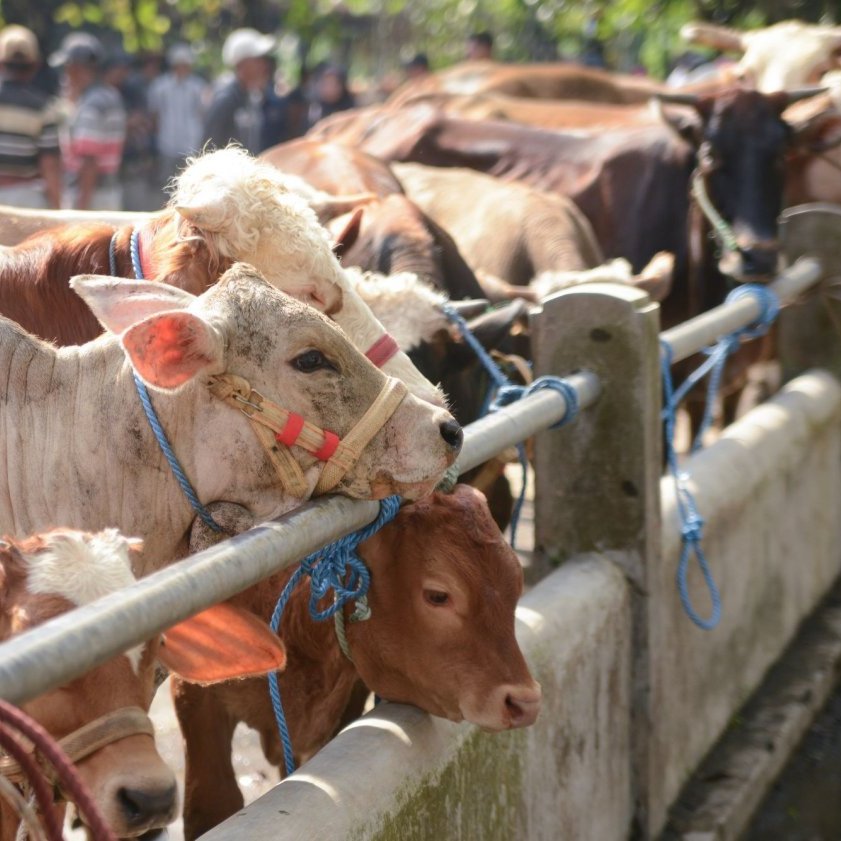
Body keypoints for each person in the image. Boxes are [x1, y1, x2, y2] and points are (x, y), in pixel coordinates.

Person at [49, 32, 126, 210]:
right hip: (109, 191)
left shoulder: (90, 104)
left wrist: (81, 209)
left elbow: (89, 162)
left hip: (90, 196)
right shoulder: (110, 95)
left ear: (75, 68)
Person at [0, 25, 61, 208]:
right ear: (35, 66)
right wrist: (58, 210)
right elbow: (49, 166)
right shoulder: (44, 109)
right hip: (25, 200)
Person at [203, 27, 274, 153]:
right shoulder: (226, 99)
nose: (263, 65)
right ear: (242, 64)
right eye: (257, 60)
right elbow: (207, 148)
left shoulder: (251, 97)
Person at [148, 43, 207, 189]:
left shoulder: (198, 86)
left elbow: (202, 113)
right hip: (168, 140)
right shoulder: (160, 86)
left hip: (191, 141)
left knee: (191, 182)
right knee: (167, 183)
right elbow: (154, 113)